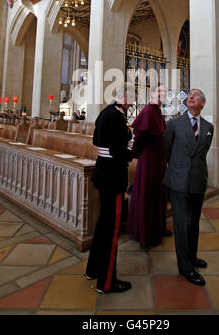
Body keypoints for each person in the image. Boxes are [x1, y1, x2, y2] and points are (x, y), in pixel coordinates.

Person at [85, 83, 135, 294]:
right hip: (113, 176)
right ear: (123, 97)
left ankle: (93, 269)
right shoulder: (117, 116)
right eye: (132, 96)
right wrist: (132, 151)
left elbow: (97, 140)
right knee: (112, 230)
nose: (133, 100)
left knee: (103, 225)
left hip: (103, 172)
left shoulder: (106, 112)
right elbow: (117, 150)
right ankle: (107, 282)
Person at [163, 89, 214, 286]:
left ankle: (192, 257)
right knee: (181, 224)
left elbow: (202, 154)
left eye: (196, 95)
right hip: (178, 180)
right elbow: (167, 150)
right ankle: (185, 267)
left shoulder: (209, 127)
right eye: (189, 95)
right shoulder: (175, 124)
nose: (190, 96)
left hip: (198, 181)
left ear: (203, 103)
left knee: (194, 223)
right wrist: (178, 169)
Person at [127, 84, 171, 248]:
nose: (162, 95)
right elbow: (140, 137)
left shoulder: (157, 111)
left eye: (165, 92)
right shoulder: (147, 111)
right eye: (159, 91)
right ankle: (147, 235)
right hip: (149, 162)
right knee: (148, 195)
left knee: (158, 195)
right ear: (152, 93)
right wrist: (135, 154)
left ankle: (158, 228)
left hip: (158, 161)